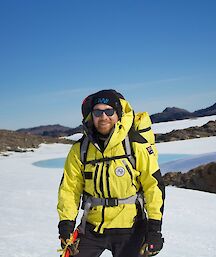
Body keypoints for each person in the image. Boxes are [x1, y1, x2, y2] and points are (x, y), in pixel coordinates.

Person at [57, 89, 165, 257]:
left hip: (131, 229)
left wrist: (154, 229)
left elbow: (153, 186)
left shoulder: (136, 145)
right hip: (92, 228)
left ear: (118, 114)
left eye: (109, 111)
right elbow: (70, 189)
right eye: (98, 112)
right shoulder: (80, 150)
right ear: (91, 115)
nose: (103, 117)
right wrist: (66, 224)